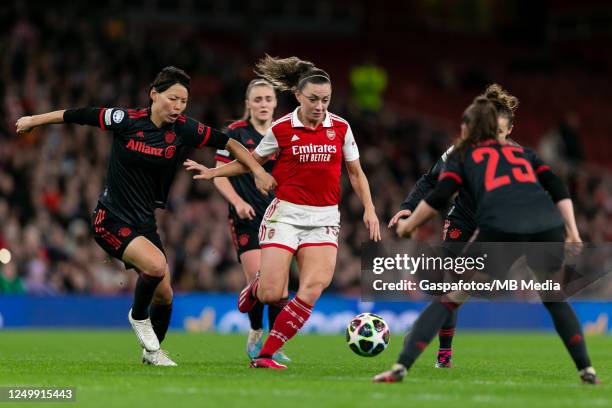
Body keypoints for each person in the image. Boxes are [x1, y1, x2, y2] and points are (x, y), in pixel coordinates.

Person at [15, 66, 276, 366]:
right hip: (110, 218)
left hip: (143, 223)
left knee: (165, 295)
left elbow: (229, 143)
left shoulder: (184, 129)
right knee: (155, 265)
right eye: (172, 99)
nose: (178, 107)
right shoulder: (125, 120)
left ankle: (152, 352)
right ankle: (139, 316)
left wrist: (256, 169)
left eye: (184, 101)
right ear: (154, 94)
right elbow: (77, 114)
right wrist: (34, 120)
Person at [374, 96, 600, 384]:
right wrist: (572, 231)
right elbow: (556, 186)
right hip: (545, 224)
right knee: (554, 297)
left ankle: (401, 367)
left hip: (501, 227)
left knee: (451, 298)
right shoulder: (524, 154)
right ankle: (587, 370)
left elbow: (439, 195)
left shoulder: (463, 155)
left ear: (472, 127)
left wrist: (409, 226)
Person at [185, 55, 381, 369]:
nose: (320, 106)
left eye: (326, 100)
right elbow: (252, 162)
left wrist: (369, 210)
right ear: (299, 96)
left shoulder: (342, 128)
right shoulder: (282, 128)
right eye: (314, 99)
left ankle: (264, 355)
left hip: (325, 218)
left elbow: (356, 173)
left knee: (313, 287)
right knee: (273, 293)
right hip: (285, 215)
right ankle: (255, 290)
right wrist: (214, 172)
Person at [389, 83, 519, 368]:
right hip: (462, 218)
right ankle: (443, 353)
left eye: (499, 131)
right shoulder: (460, 151)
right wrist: (408, 208)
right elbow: (430, 181)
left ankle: (431, 326)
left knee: (464, 285)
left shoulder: (518, 158)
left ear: (509, 131)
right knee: (448, 284)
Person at [213, 78, 289, 362]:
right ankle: (256, 332)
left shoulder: (284, 133)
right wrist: (237, 202)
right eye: (257, 99)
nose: (263, 104)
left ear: (275, 103)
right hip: (246, 218)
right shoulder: (234, 133)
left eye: (268, 99)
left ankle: (273, 345)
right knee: (261, 281)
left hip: (280, 220)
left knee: (280, 288)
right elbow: (219, 174)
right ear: (248, 103)